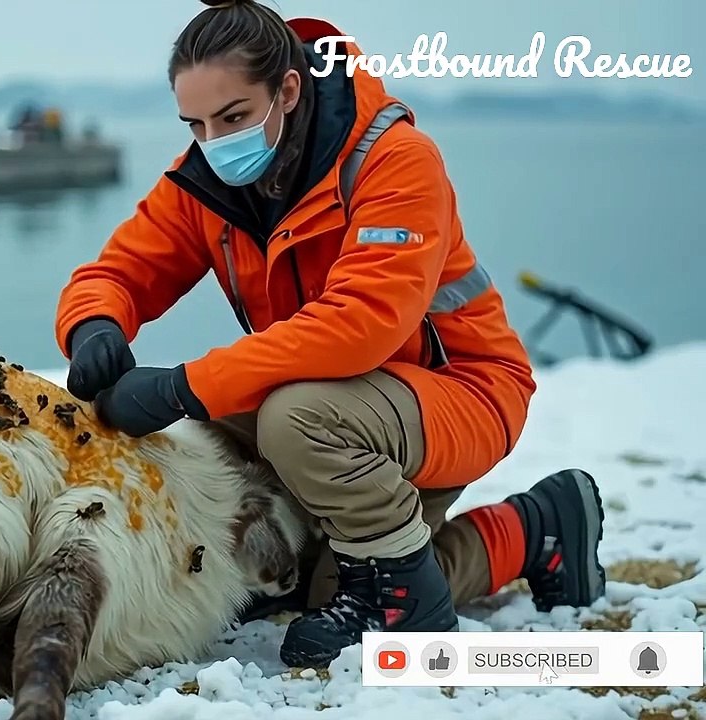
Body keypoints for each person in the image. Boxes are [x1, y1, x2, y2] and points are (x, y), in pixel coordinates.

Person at [53, 0, 606, 669]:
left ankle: (408, 596)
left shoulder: (395, 160)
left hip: (461, 394)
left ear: (287, 89)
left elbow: (359, 327)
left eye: (232, 118)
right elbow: (120, 270)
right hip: (334, 401)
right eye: (196, 124)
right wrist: (93, 324)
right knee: (240, 481)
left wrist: (182, 384)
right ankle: (537, 525)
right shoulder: (207, 180)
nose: (214, 141)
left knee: (287, 419)